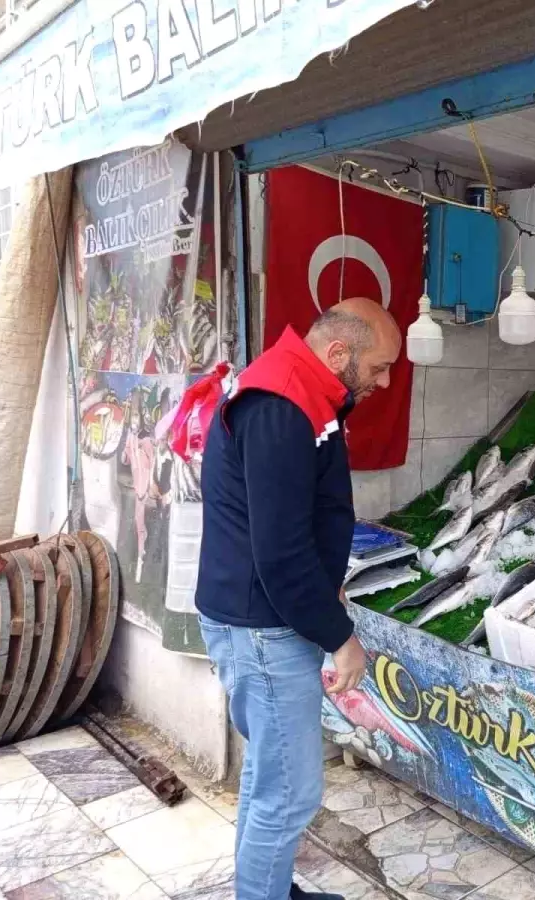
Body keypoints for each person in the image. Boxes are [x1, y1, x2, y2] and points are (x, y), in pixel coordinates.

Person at [195, 297, 402, 900]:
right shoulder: (279, 406)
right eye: (379, 368)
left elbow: (315, 513)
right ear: (338, 353)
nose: (385, 382)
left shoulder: (312, 394)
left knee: (271, 777)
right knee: (290, 794)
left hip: (269, 617)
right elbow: (280, 552)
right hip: (261, 626)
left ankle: (271, 890)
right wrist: (341, 638)